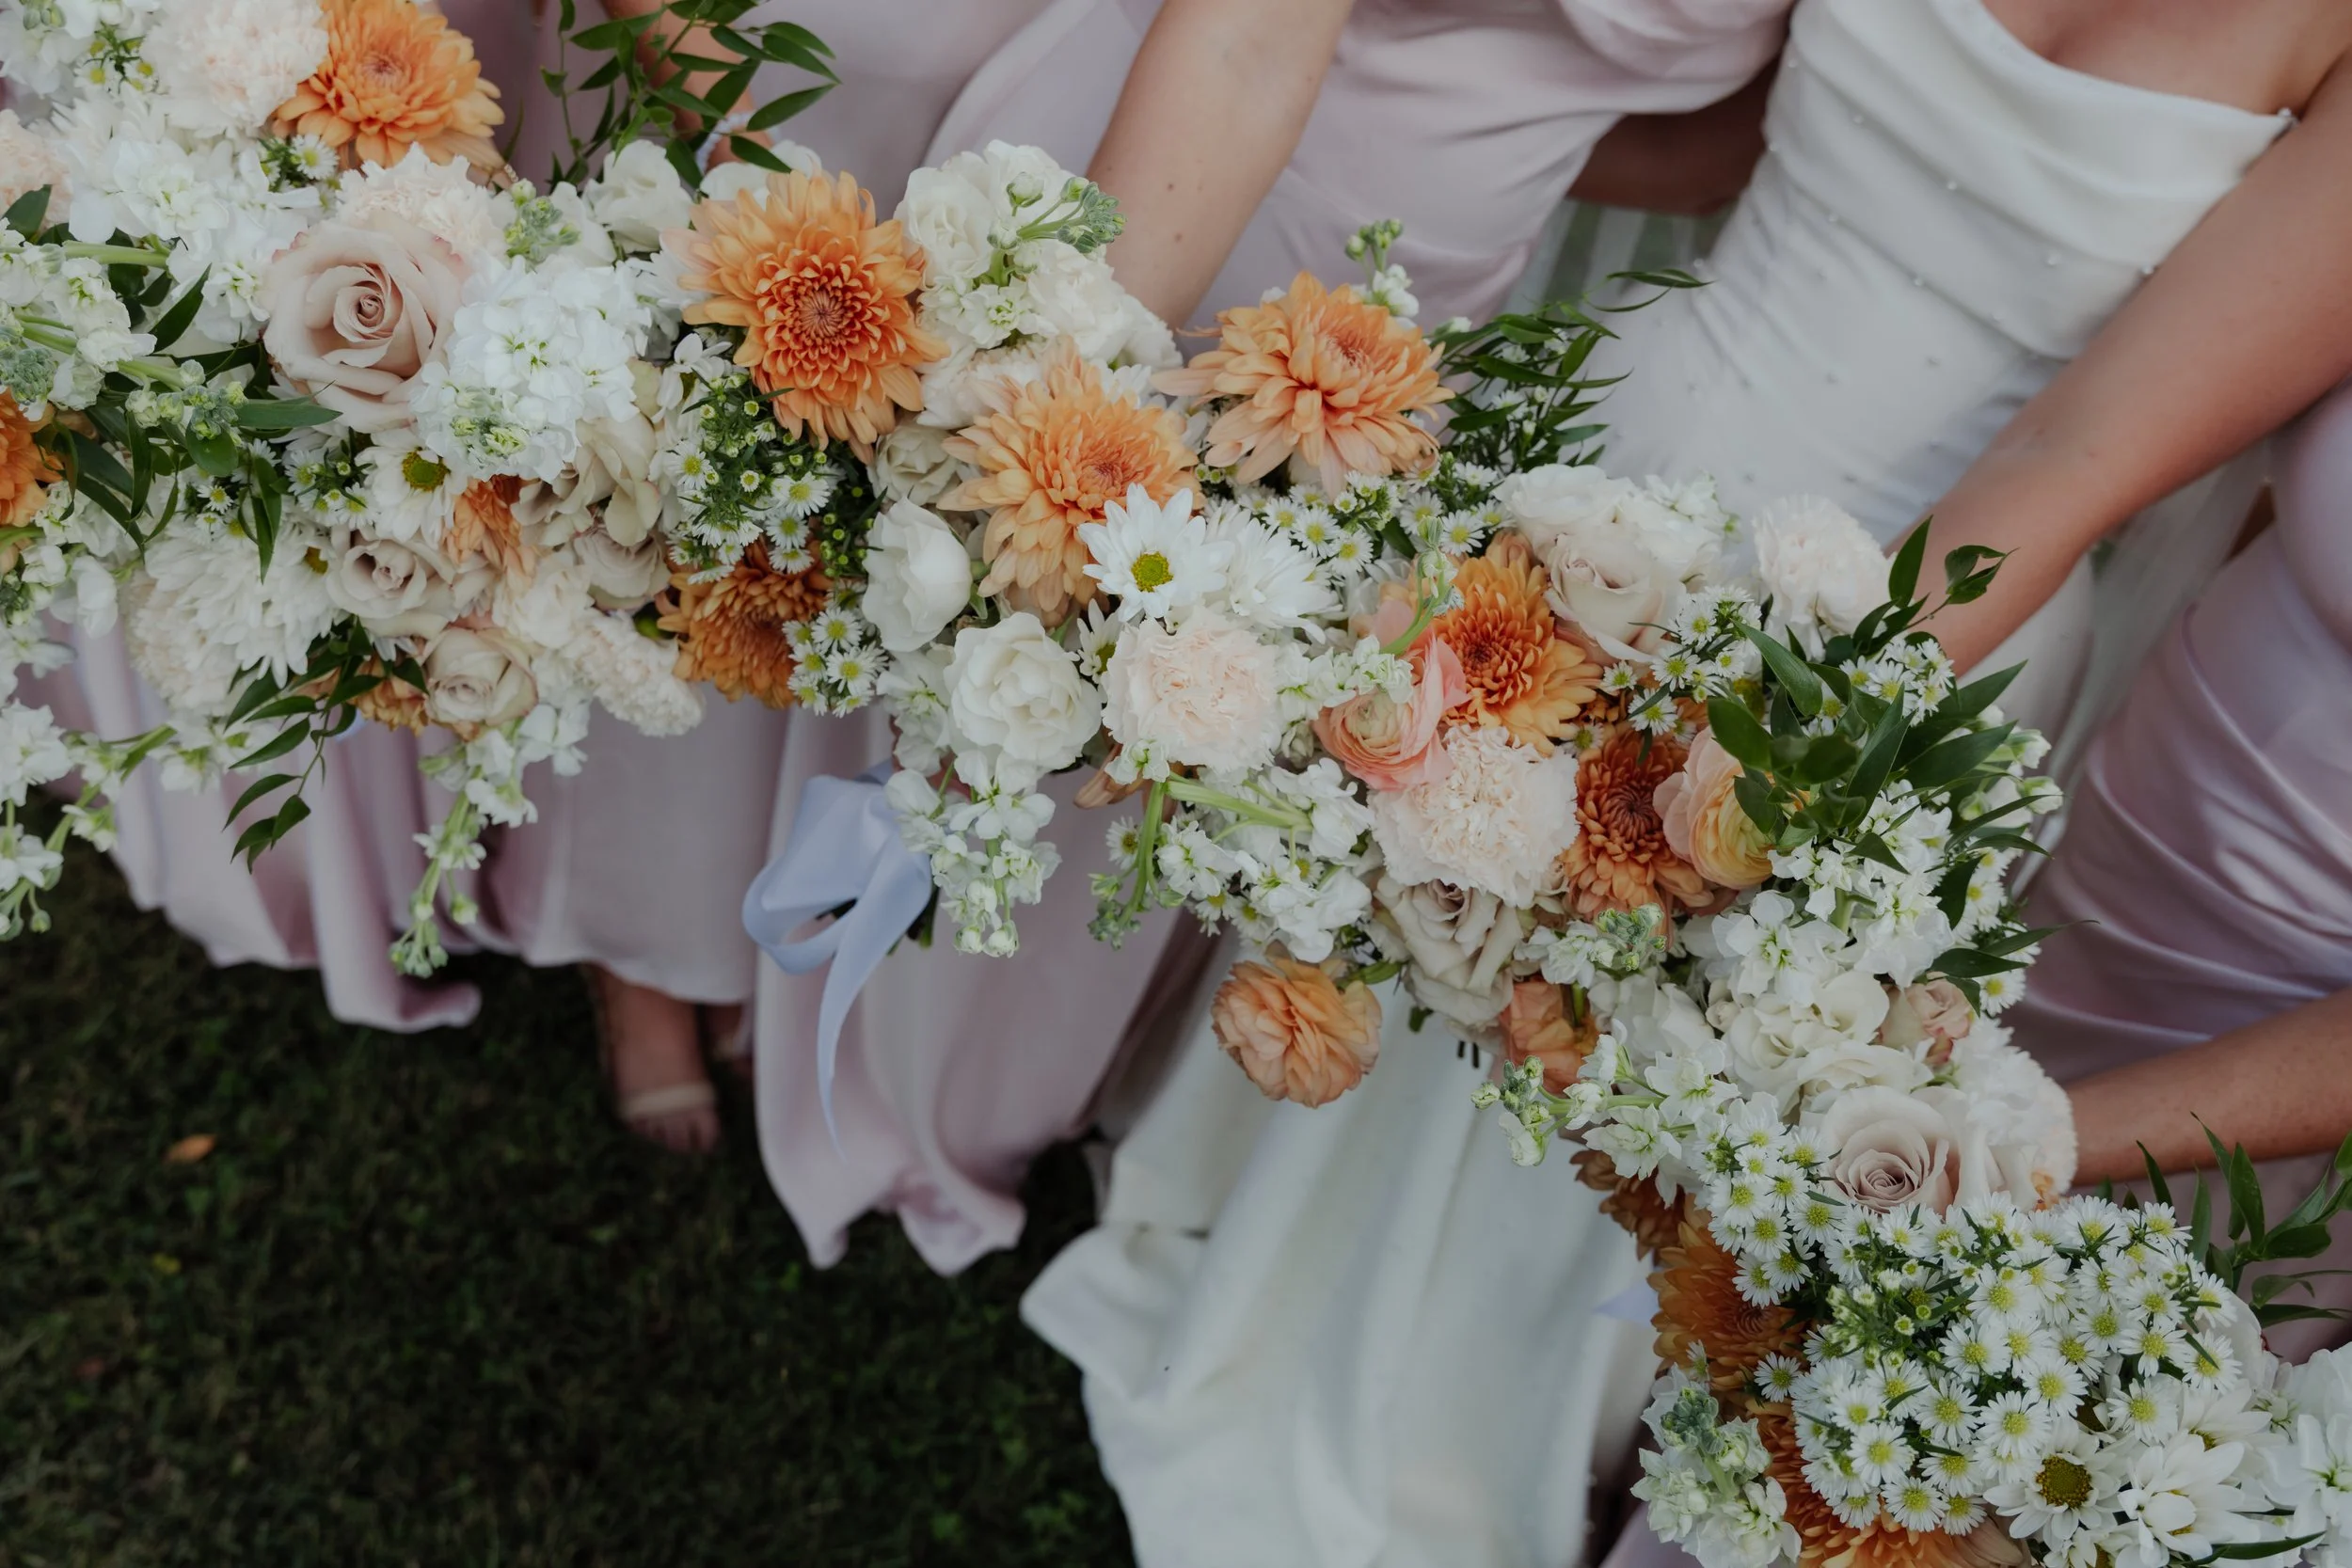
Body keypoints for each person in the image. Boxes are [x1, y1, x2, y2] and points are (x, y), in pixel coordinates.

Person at [1023, 2, 2348, 1565]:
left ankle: (1485, 1414)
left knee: (1638, 1053)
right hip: (1639, 461)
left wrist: (1784, 729)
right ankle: (1278, 1265)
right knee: (1446, 905)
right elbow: (1722, 115)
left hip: (1915, 626)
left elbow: (2074, 456)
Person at [733, 0, 1789, 1276]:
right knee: (998, 617)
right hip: (1176, 192)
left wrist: (1484, 135)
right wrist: (1075, 406)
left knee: (1197, 728)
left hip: (1390, 326)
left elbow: (1713, 144)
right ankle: (814, 1010)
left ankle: (973, 1086)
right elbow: (1249, 39)